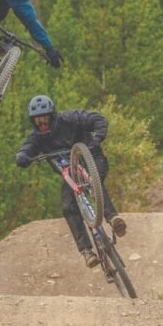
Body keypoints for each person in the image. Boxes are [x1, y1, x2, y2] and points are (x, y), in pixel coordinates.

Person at [14, 95, 127, 268]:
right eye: (37, 121)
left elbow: (98, 119)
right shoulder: (36, 137)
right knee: (68, 206)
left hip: (92, 159)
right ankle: (86, 251)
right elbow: (27, 148)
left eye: (45, 119)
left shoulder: (71, 119)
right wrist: (22, 156)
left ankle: (113, 218)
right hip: (71, 176)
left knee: (91, 180)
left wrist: (97, 138)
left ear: (53, 116)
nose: (42, 124)